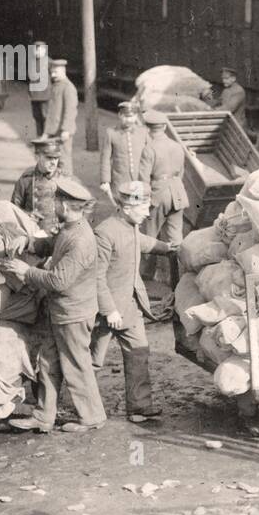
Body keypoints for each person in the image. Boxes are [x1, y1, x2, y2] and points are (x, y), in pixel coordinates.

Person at [0, 177, 107, 434]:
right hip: (60, 310)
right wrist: (28, 242)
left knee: (75, 364)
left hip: (73, 313)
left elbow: (58, 280)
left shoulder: (81, 239)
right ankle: (43, 416)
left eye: (56, 201)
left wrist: (26, 271)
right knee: (47, 362)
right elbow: (52, 245)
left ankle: (91, 417)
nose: (53, 205)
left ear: (65, 204)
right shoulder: (70, 228)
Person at [92, 180, 176, 420]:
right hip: (105, 312)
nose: (149, 213)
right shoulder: (105, 232)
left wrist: (167, 247)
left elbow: (142, 243)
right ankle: (85, 409)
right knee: (93, 361)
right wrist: (109, 311)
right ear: (127, 207)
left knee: (138, 352)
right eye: (144, 209)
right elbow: (96, 277)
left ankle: (139, 407)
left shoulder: (130, 226)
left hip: (129, 306)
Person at [140, 110, 188, 278]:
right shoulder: (177, 146)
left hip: (157, 195)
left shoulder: (149, 149)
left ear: (148, 129)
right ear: (165, 127)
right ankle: (176, 276)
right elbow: (181, 173)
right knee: (175, 237)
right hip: (178, 193)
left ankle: (147, 274)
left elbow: (144, 180)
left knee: (150, 235)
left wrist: (145, 200)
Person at [99, 101, 150, 200]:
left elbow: (150, 156)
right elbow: (105, 159)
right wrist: (105, 180)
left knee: (139, 209)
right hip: (120, 180)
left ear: (136, 116)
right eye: (126, 116)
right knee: (122, 208)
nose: (129, 120)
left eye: (132, 116)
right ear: (119, 115)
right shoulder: (111, 133)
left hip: (140, 179)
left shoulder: (143, 132)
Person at [12, 137, 62, 235]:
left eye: (56, 158)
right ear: (37, 157)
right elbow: (14, 207)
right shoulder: (27, 179)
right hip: (32, 232)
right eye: (49, 158)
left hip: (58, 235)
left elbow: (83, 206)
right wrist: (26, 215)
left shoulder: (65, 179)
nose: (53, 162)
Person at [43, 58, 79, 174]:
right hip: (53, 130)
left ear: (63, 71)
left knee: (63, 159)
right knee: (53, 158)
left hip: (62, 131)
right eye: (51, 72)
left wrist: (66, 129)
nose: (53, 75)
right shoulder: (56, 86)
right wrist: (46, 132)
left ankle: (67, 182)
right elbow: (51, 111)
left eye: (56, 72)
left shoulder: (68, 87)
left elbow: (71, 110)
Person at [29, 41, 52, 138]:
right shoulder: (32, 62)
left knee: (45, 116)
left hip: (45, 94)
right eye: (35, 50)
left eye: (39, 49)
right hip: (34, 95)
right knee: (36, 116)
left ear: (44, 50)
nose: (37, 52)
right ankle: (39, 135)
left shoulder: (49, 62)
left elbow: (54, 77)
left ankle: (46, 135)